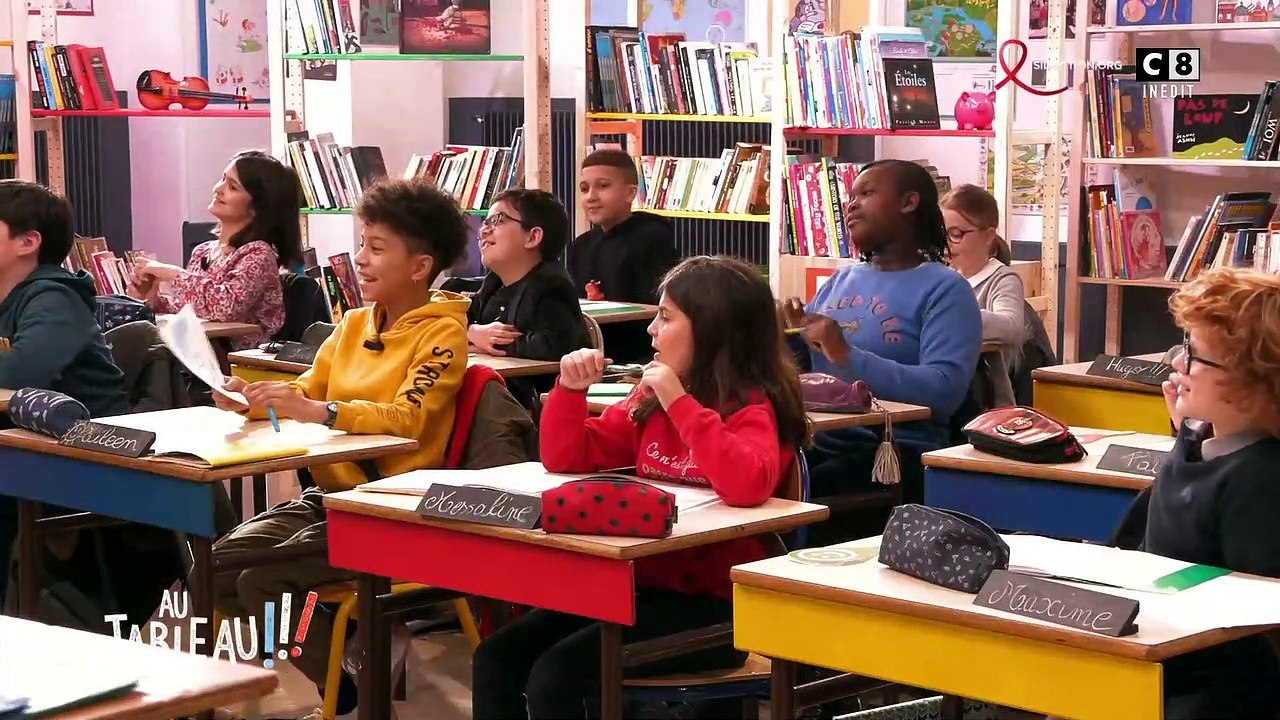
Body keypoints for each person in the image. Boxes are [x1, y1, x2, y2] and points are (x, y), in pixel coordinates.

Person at [471, 255, 810, 720]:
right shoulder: (648, 400)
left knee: (557, 675)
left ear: (712, 331)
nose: (652, 330)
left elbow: (747, 484)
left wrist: (680, 401)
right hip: (635, 587)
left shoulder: (750, 406)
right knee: (496, 657)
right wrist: (571, 392)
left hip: (716, 608)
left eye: (666, 317)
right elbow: (567, 458)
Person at [210, 178, 471, 718]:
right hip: (329, 495)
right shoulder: (352, 324)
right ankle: (358, 656)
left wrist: (323, 411)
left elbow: (411, 419)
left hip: (392, 507)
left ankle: (352, 694)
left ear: (420, 267)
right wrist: (252, 399)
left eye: (377, 249)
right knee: (213, 569)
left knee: (263, 578)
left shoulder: (443, 336)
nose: (361, 260)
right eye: (361, 245)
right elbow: (305, 392)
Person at [787, 160, 983, 502]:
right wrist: (780, 338)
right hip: (816, 440)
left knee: (800, 492)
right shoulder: (842, 279)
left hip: (890, 455)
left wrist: (846, 355)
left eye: (867, 192)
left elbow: (944, 391)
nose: (852, 204)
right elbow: (803, 371)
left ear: (909, 203)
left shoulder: (946, 289)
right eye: (850, 196)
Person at [1141, 268, 1280, 718]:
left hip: (1215, 690)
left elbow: (1255, 617)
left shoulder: (1261, 480)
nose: (1178, 365)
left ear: (1252, 382)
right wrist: (1184, 434)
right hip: (1166, 649)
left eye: (1194, 356)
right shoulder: (1207, 444)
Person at [0, 179, 130, 607]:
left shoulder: (53, 297)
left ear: (27, 242)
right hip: (25, 446)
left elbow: (21, 371)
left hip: (83, 454)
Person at [128, 150, 303, 350]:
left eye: (232, 187)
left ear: (256, 207)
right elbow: (192, 310)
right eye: (223, 179)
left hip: (237, 363)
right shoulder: (202, 252)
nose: (219, 189)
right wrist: (152, 301)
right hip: (198, 355)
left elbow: (225, 307)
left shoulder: (258, 254)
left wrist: (173, 274)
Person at [466, 188, 591, 408]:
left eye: (498, 220)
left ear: (533, 237)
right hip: (498, 394)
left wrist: (494, 343)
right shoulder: (494, 282)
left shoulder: (552, 286)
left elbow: (558, 346)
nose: (484, 231)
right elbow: (456, 321)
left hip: (533, 404)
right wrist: (472, 333)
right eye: (486, 222)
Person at [941, 183, 1052, 406]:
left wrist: (952, 315)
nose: (945, 243)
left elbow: (1010, 327)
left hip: (987, 402)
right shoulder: (943, 276)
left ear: (988, 235)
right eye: (940, 234)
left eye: (955, 234)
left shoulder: (1002, 278)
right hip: (950, 387)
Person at [569, 148, 679, 363]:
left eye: (603, 186)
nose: (591, 197)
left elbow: (655, 305)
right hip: (592, 352)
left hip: (638, 352)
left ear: (630, 193)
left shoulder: (653, 238)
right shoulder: (580, 245)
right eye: (584, 188)